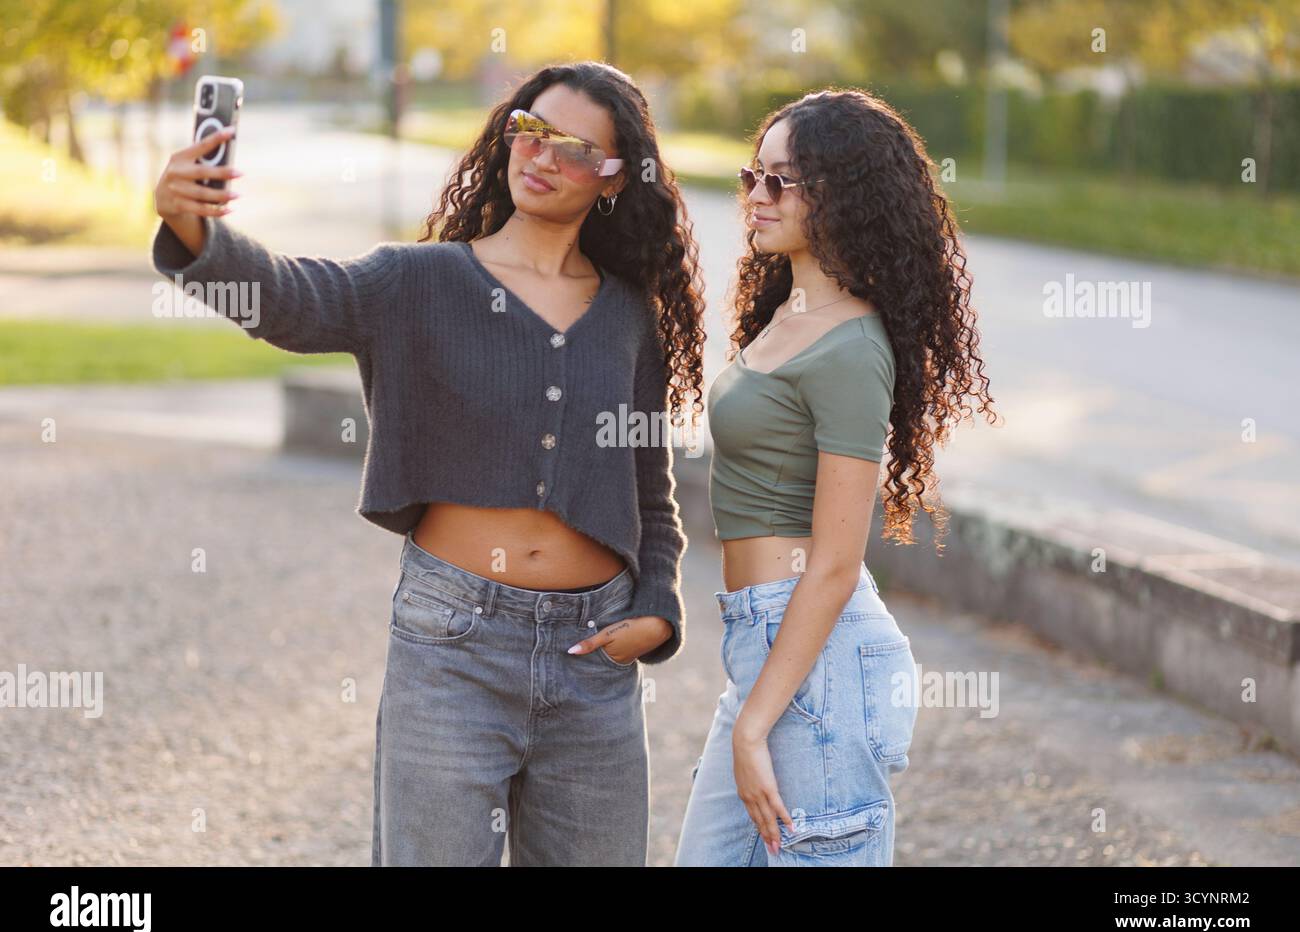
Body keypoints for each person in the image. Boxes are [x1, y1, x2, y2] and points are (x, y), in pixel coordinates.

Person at [152, 61, 705, 866]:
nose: (541, 156)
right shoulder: (420, 281)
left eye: (573, 148)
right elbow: (287, 297)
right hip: (454, 646)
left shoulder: (630, 319)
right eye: (531, 129)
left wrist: (659, 609)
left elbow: (650, 490)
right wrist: (194, 231)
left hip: (595, 664)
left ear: (614, 178)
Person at [674, 88, 999, 866]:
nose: (756, 195)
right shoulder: (786, 315)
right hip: (766, 646)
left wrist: (755, 725)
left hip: (817, 659)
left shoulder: (852, 345)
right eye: (753, 175)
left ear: (842, 196)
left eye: (781, 181)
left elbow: (837, 562)